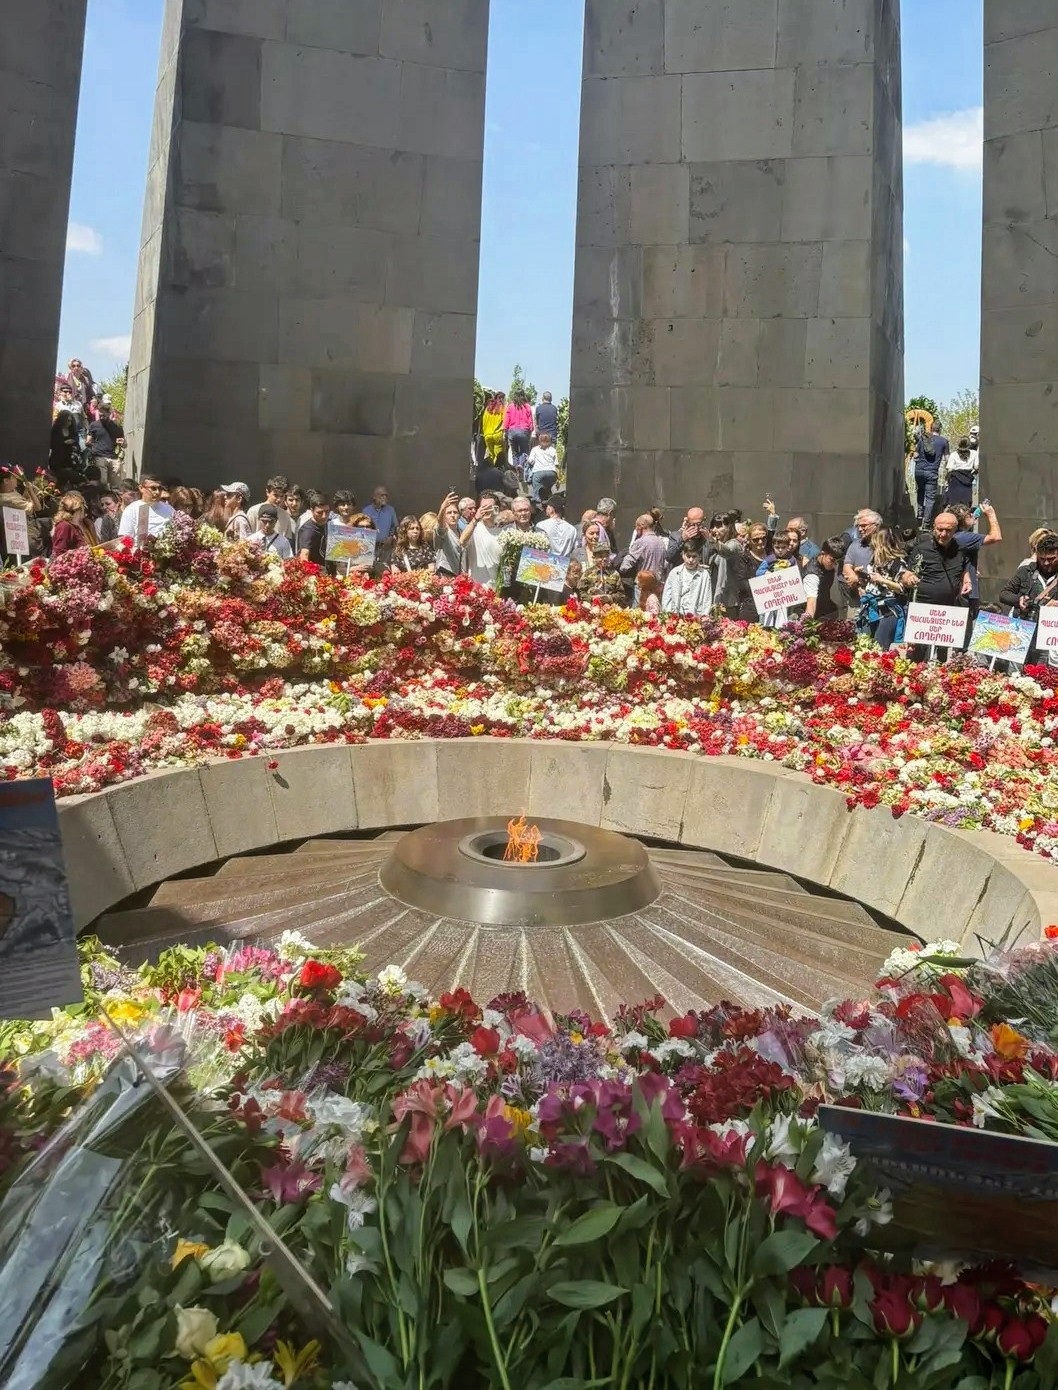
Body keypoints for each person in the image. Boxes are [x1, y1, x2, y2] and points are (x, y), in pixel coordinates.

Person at [1000, 533, 1058, 663]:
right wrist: (1019, 600)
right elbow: (1004, 594)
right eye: (1042, 558)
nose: (1046, 563)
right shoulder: (1025, 571)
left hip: (1051, 637)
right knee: (1016, 672)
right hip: (1023, 632)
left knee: (1045, 672)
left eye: (1051, 559)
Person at [855, 527, 912, 649]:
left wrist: (882, 580)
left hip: (887, 610)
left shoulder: (898, 563)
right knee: (863, 645)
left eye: (874, 543)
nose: (871, 546)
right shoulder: (874, 560)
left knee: (880, 647)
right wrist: (862, 578)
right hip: (870, 607)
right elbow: (872, 581)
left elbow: (902, 589)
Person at [841, 509, 882, 615]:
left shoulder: (886, 546)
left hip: (881, 602)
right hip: (857, 601)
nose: (860, 529)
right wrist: (855, 580)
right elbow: (846, 567)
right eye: (858, 526)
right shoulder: (855, 545)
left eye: (864, 526)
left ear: (876, 525)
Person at [460, 492, 505, 587]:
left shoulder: (503, 531)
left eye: (490, 507)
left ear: (496, 509)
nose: (486, 511)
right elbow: (462, 541)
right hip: (479, 588)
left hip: (498, 587)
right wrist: (476, 518)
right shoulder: (474, 528)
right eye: (483, 507)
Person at [118, 473, 175, 542]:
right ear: (141, 488)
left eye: (159, 489)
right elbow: (125, 540)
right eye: (153, 488)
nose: (157, 492)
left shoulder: (169, 509)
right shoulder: (132, 510)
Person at [662, 542, 714, 616]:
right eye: (688, 556)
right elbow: (667, 596)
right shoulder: (675, 573)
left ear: (699, 557)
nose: (691, 560)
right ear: (683, 555)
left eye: (694, 557)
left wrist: (704, 615)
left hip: (695, 616)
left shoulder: (704, 575)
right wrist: (668, 614)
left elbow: (707, 598)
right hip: (676, 615)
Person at [620, 511, 670, 587]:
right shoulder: (661, 543)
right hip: (657, 584)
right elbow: (665, 564)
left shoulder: (640, 542)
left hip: (643, 584)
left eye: (636, 527)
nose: (636, 529)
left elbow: (629, 561)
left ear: (641, 527)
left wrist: (621, 570)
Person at [914, 418, 950, 524]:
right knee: (930, 498)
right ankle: (926, 522)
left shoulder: (923, 439)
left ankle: (919, 515)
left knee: (920, 491)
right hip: (932, 472)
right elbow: (947, 459)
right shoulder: (944, 441)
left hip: (919, 471)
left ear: (931, 428)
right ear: (940, 429)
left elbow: (915, 455)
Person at [803, 538, 847, 621]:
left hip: (828, 611)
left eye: (838, 561)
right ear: (822, 554)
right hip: (815, 617)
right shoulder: (812, 576)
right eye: (832, 560)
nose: (835, 565)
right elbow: (811, 603)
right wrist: (808, 624)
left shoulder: (827, 563)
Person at [85, 402, 124, 483]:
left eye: (104, 415)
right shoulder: (94, 425)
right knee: (103, 482)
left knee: (115, 484)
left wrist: (122, 443)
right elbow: (88, 441)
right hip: (99, 456)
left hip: (114, 457)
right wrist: (90, 444)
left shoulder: (117, 426)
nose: (102, 417)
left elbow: (124, 444)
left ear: (109, 414)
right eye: (100, 415)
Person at [246, 476, 295, 541]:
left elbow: (287, 540)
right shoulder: (253, 511)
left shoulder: (285, 515)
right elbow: (247, 538)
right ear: (267, 492)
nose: (279, 500)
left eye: (282, 496)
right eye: (276, 495)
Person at [50, 491, 97, 556]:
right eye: (83, 507)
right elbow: (59, 552)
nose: (84, 509)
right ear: (78, 509)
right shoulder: (64, 526)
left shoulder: (74, 526)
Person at [433, 493, 464, 577]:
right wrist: (443, 507)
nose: (453, 515)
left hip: (460, 575)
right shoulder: (443, 531)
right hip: (445, 574)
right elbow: (440, 524)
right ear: (444, 516)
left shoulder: (462, 531)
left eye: (455, 512)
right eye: (449, 513)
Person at [503, 391, 534, 472]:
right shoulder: (527, 406)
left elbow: (506, 420)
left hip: (512, 431)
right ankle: (521, 465)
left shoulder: (510, 406)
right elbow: (530, 421)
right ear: (524, 395)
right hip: (524, 431)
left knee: (514, 452)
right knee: (524, 451)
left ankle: (516, 469)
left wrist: (505, 430)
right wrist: (531, 429)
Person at [296, 491, 330, 564]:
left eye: (327, 511)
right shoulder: (308, 530)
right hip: (315, 569)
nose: (324, 516)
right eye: (319, 513)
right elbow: (304, 555)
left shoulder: (329, 523)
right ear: (312, 510)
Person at [945, 438, 979, 508]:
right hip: (967, 478)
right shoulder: (974, 453)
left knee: (954, 503)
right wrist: (971, 473)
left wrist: (947, 481)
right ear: (969, 445)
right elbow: (976, 467)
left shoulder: (953, 454)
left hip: (955, 480)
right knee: (966, 502)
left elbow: (950, 469)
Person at [525, 432, 559, 503]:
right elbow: (556, 464)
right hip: (551, 472)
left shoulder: (535, 449)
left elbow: (531, 461)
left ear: (539, 440)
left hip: (538, 472)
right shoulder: (553, 450)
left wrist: (527, 459)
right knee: (548, 487)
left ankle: (537, 500)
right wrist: (558, 479)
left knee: (536, 490)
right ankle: (548, 498)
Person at [481, 391, 506, 464]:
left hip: (487, 434)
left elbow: (484, 421)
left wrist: (485, 432)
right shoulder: (502, 407)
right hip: (497, 434)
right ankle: (496, 469)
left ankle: (490, 468)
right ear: (502, 398)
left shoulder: (488, 408)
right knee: (498, 456)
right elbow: (505, 420)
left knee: (490, 455)